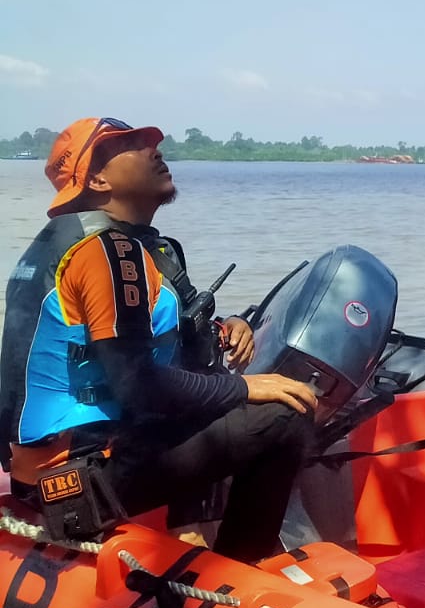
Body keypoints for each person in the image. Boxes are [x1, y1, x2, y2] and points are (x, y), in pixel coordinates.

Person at [0, 118, 316, 562]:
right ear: (97, 178)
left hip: (65, 467)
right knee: (285, 414)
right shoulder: (105, 253)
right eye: (129, 144)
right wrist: (244, 386)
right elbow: (141, 387)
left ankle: (187, 534)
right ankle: (241, 569)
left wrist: (226, 327)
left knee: (214, 394)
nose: (154, 147)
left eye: (149, 139)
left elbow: (165, 327)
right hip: (74, 484)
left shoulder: (122, 246)